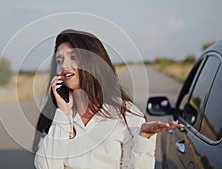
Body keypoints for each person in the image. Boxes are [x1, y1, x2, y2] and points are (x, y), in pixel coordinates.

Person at [34, 29, 183, 169]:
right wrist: (63, 113)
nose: (64, 65)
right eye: (59, 60)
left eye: (73, 57)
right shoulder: (57, 114)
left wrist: (144, 138)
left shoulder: (126, 114)